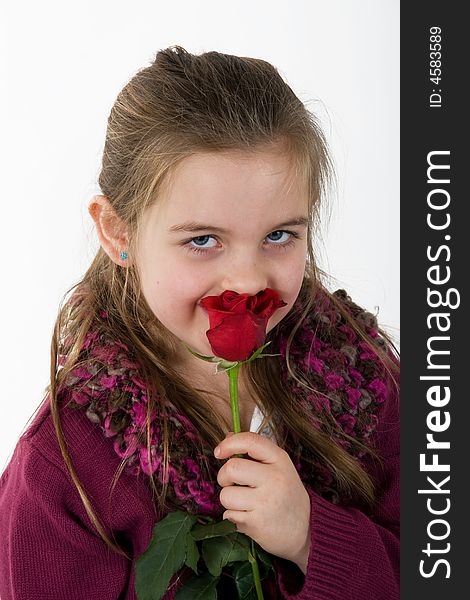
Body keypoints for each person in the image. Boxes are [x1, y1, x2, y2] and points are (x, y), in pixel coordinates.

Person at [0, 46, 399, 599]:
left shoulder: (367, 381)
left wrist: (313, 539)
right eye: (202, 241)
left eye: (278, 235)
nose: (247, 281)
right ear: (118, 232)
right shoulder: (65, 467)